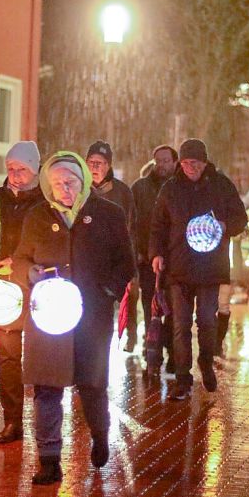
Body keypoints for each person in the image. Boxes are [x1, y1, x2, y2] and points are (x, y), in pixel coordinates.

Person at [12, 151, 135, 485]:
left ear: (83, 181)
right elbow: (20, 257)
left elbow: (126, 263)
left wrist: (107, 290)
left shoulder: (109, 214)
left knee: (92, 383)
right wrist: (30, 272)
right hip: (48, 316)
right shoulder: (37, 215)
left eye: (70, 182)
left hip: (91, 315)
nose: (64, 189)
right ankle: (49, 460)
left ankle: (99, 434)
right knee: (47, 389)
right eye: (57, 184)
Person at [150, 139, 248, 401]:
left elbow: (241, 218)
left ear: (204, 162)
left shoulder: (221, 185)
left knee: (206, 321)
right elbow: (158, 225)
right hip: (179, 268)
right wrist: (157, 254)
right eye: (184, 163)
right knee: (180, 326)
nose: (189, 168)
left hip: (210, 268)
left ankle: (206, 361)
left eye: (194, 163)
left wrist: (225, 226)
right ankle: (183, 378)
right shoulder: (171, 189)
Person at [0, 141, 44, 445]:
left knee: (37, 355)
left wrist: (24, 261)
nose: (15, 175)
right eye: (11, 169)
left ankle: (42, 417)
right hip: (3, 288)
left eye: (21, 169)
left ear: (34, 169)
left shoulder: (43, 203)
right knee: (7, 356)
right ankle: (12, 419)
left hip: (34, 286)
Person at [85, 140, 138, 350]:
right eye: (92, 162)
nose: (95, 167)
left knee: (128, 296)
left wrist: (131, 260)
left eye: (101, 163)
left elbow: (131, 227)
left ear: (109, 166)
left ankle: (130, 333)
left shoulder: (122, 193)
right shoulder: (79, 189)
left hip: (115, 257)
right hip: (88, 259)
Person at [131, 145, 177, 372]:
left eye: (167, 160)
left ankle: (171, 353)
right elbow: (133, 222)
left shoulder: (180, 188)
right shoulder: (140, 188)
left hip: (177, 263)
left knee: (175, 311)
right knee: (151, 309)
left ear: (175, 162)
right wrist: (139, 251)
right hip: (147, 261)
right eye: (158, 160)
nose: (162, 165)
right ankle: (152, 353)